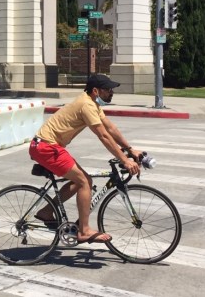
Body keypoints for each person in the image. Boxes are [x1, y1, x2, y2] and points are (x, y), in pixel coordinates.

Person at [29, 73, 142, 245]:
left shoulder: (92, 103)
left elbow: (110, 128)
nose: (111, 92)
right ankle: (84, 231)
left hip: (49, 147)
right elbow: (103, 136)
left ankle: (46, 212)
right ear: (96, 91)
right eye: (108, 89)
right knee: (84, 182)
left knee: (79, 181)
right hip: (47, 147)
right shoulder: (86, 105)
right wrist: (125, 160)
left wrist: (130, 149)